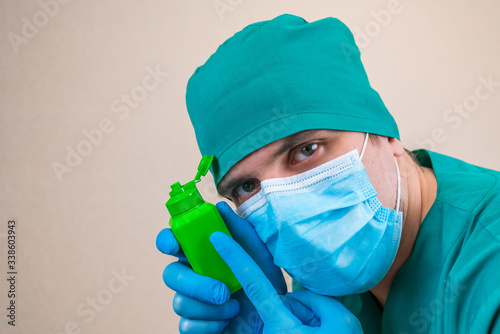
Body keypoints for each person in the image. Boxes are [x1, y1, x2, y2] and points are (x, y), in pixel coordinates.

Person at [156, 14, 500, 333]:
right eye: (247, 186)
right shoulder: (318, 277)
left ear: (384, 133)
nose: (289, 211)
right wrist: (262, 312)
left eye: (305, 150)